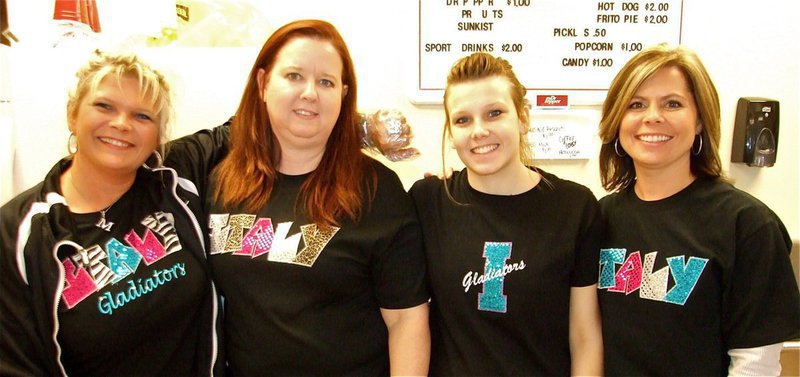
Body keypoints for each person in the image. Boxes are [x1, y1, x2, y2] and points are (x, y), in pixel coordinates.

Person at [165, 19, 430, 376]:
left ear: (343, 95)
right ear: (262, 84)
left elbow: (406, 321)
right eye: (294, 76)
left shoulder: (376, 189)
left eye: (326, 82)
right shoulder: (220, 179)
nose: (310, 93)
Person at [0, 51, 220, 376]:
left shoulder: (174, 183)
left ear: (158, 136)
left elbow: (247, 124)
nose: (121, 123)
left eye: (142, 116)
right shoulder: (19, 232)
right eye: (104, 106)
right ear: (72, 114)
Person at [596, 43, 800, 376]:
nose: (652, 117)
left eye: (672, 103)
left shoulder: (747, 224)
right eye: (636, 104)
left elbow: (756, 364)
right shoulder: (600, 218)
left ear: (700, 120)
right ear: (617, 120)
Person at [408, 52, 604, 376]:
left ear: (523, 118)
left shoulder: (575, 207)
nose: (479, 131)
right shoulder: (427, 201)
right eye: (463, 120)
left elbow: (585, 337)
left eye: (494, 113)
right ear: (451, 132)